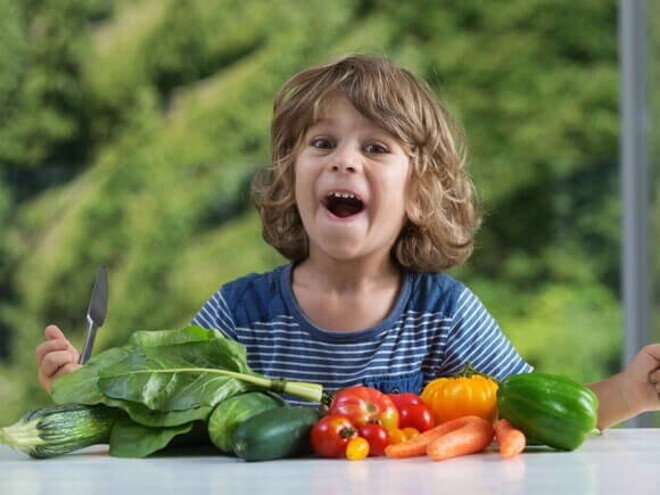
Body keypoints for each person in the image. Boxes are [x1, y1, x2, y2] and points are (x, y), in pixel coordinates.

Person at [36, 55, 660, 430]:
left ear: (419, 192)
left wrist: (631, 391)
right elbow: (162, 409)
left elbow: (538, 411)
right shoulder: (239, 313)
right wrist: (86, 387)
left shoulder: (441, 314)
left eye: (376, 148)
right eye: (322, 143)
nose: (344, 163)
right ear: (291, 177)